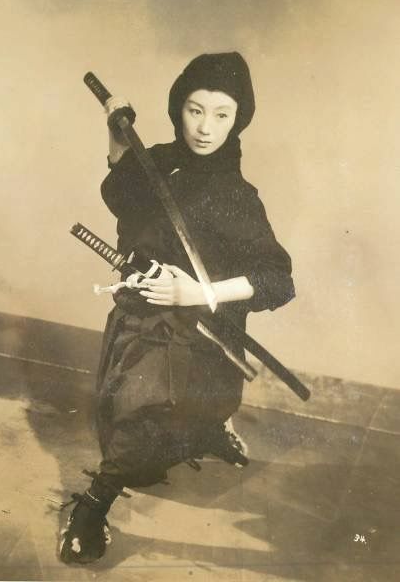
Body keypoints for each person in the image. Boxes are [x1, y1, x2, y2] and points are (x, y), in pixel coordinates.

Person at [59, 52, 295, 564]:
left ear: (239, 119)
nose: (205, 127)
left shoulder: (238, 195)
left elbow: (279, 281)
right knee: (133, 415)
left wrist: (200, 293)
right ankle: (168, 450)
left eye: (221, 114)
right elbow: (122, 195)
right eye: (194, 110)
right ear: (177, 108)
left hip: (208, 328)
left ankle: (92, 506)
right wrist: (117, 137)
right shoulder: (159, 158)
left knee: (191, 404)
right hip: (144, 314)